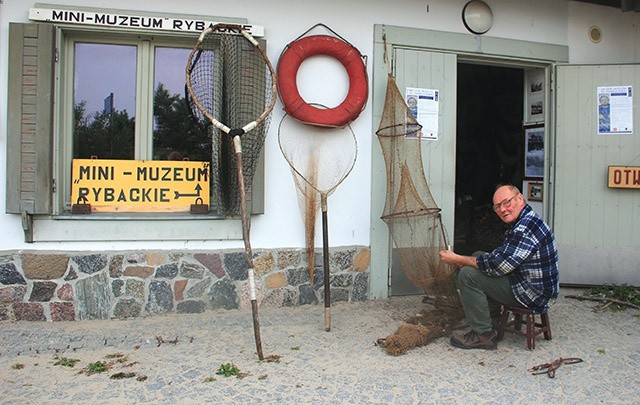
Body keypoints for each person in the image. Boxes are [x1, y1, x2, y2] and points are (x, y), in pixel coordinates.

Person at [439, 184, 559, 350]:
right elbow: (502, 257)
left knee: (468, 275)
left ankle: (483, 334)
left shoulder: (524, 228)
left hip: (532, 293)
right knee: (478, 254)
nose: (502, 209)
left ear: (520, 199)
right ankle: (492, 318)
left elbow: (497, 266)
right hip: (529, 282)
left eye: (507, 202)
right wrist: (468, 260)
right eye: (497, 206)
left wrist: (458, 259)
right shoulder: (527, 219)